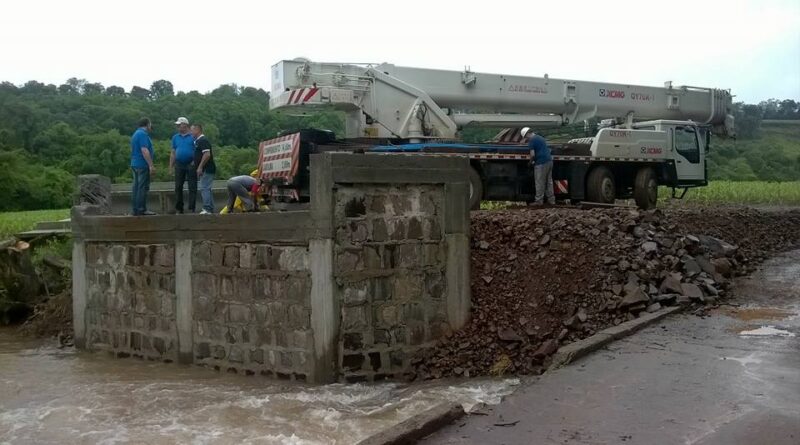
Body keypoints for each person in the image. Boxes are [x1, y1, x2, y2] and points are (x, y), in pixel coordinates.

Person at [169, 117, 197, 213]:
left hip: (191, 164)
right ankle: (179, 208)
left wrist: (195, 161)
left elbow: (197, 150)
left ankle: (192, 208)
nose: (177, 127)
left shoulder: (193, 136)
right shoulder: (175, 137)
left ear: (185, 125)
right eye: (177, 125)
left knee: (192, 186)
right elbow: (173, 152)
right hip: (179, 164)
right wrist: (171, 166)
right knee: (178, 186)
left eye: (179, 125)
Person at [522, 127, 555, 205]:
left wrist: (530, 163)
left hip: (541, 163)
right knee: (549, 182)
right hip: (549, 161)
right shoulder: (540, 138)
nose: (526, 138)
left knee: (539, 182)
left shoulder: (532, 140)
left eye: (525, 137)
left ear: (527, 134)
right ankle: (551, 200)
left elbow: (532, 155)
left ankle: (539, 201)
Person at [130, 117, 156, 215]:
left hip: (135, 163)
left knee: (136, 187)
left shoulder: (135, 134)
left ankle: (135, 209)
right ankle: (141, 209)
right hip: (142, 164)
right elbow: (144, 150)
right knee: (142, 187)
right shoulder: (142, 134)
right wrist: (151, 165)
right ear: (147, 124)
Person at [191, 123, 216, 214]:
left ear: (197, 130)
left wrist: (200, 167)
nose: (191, 132)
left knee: (205, 187)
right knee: (207, 188)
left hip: (207, 168)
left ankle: (207, 208)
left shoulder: (203, 140)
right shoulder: (198, 141)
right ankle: (210, 207)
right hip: (205, 169)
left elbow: (207, 154)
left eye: (192, 130)